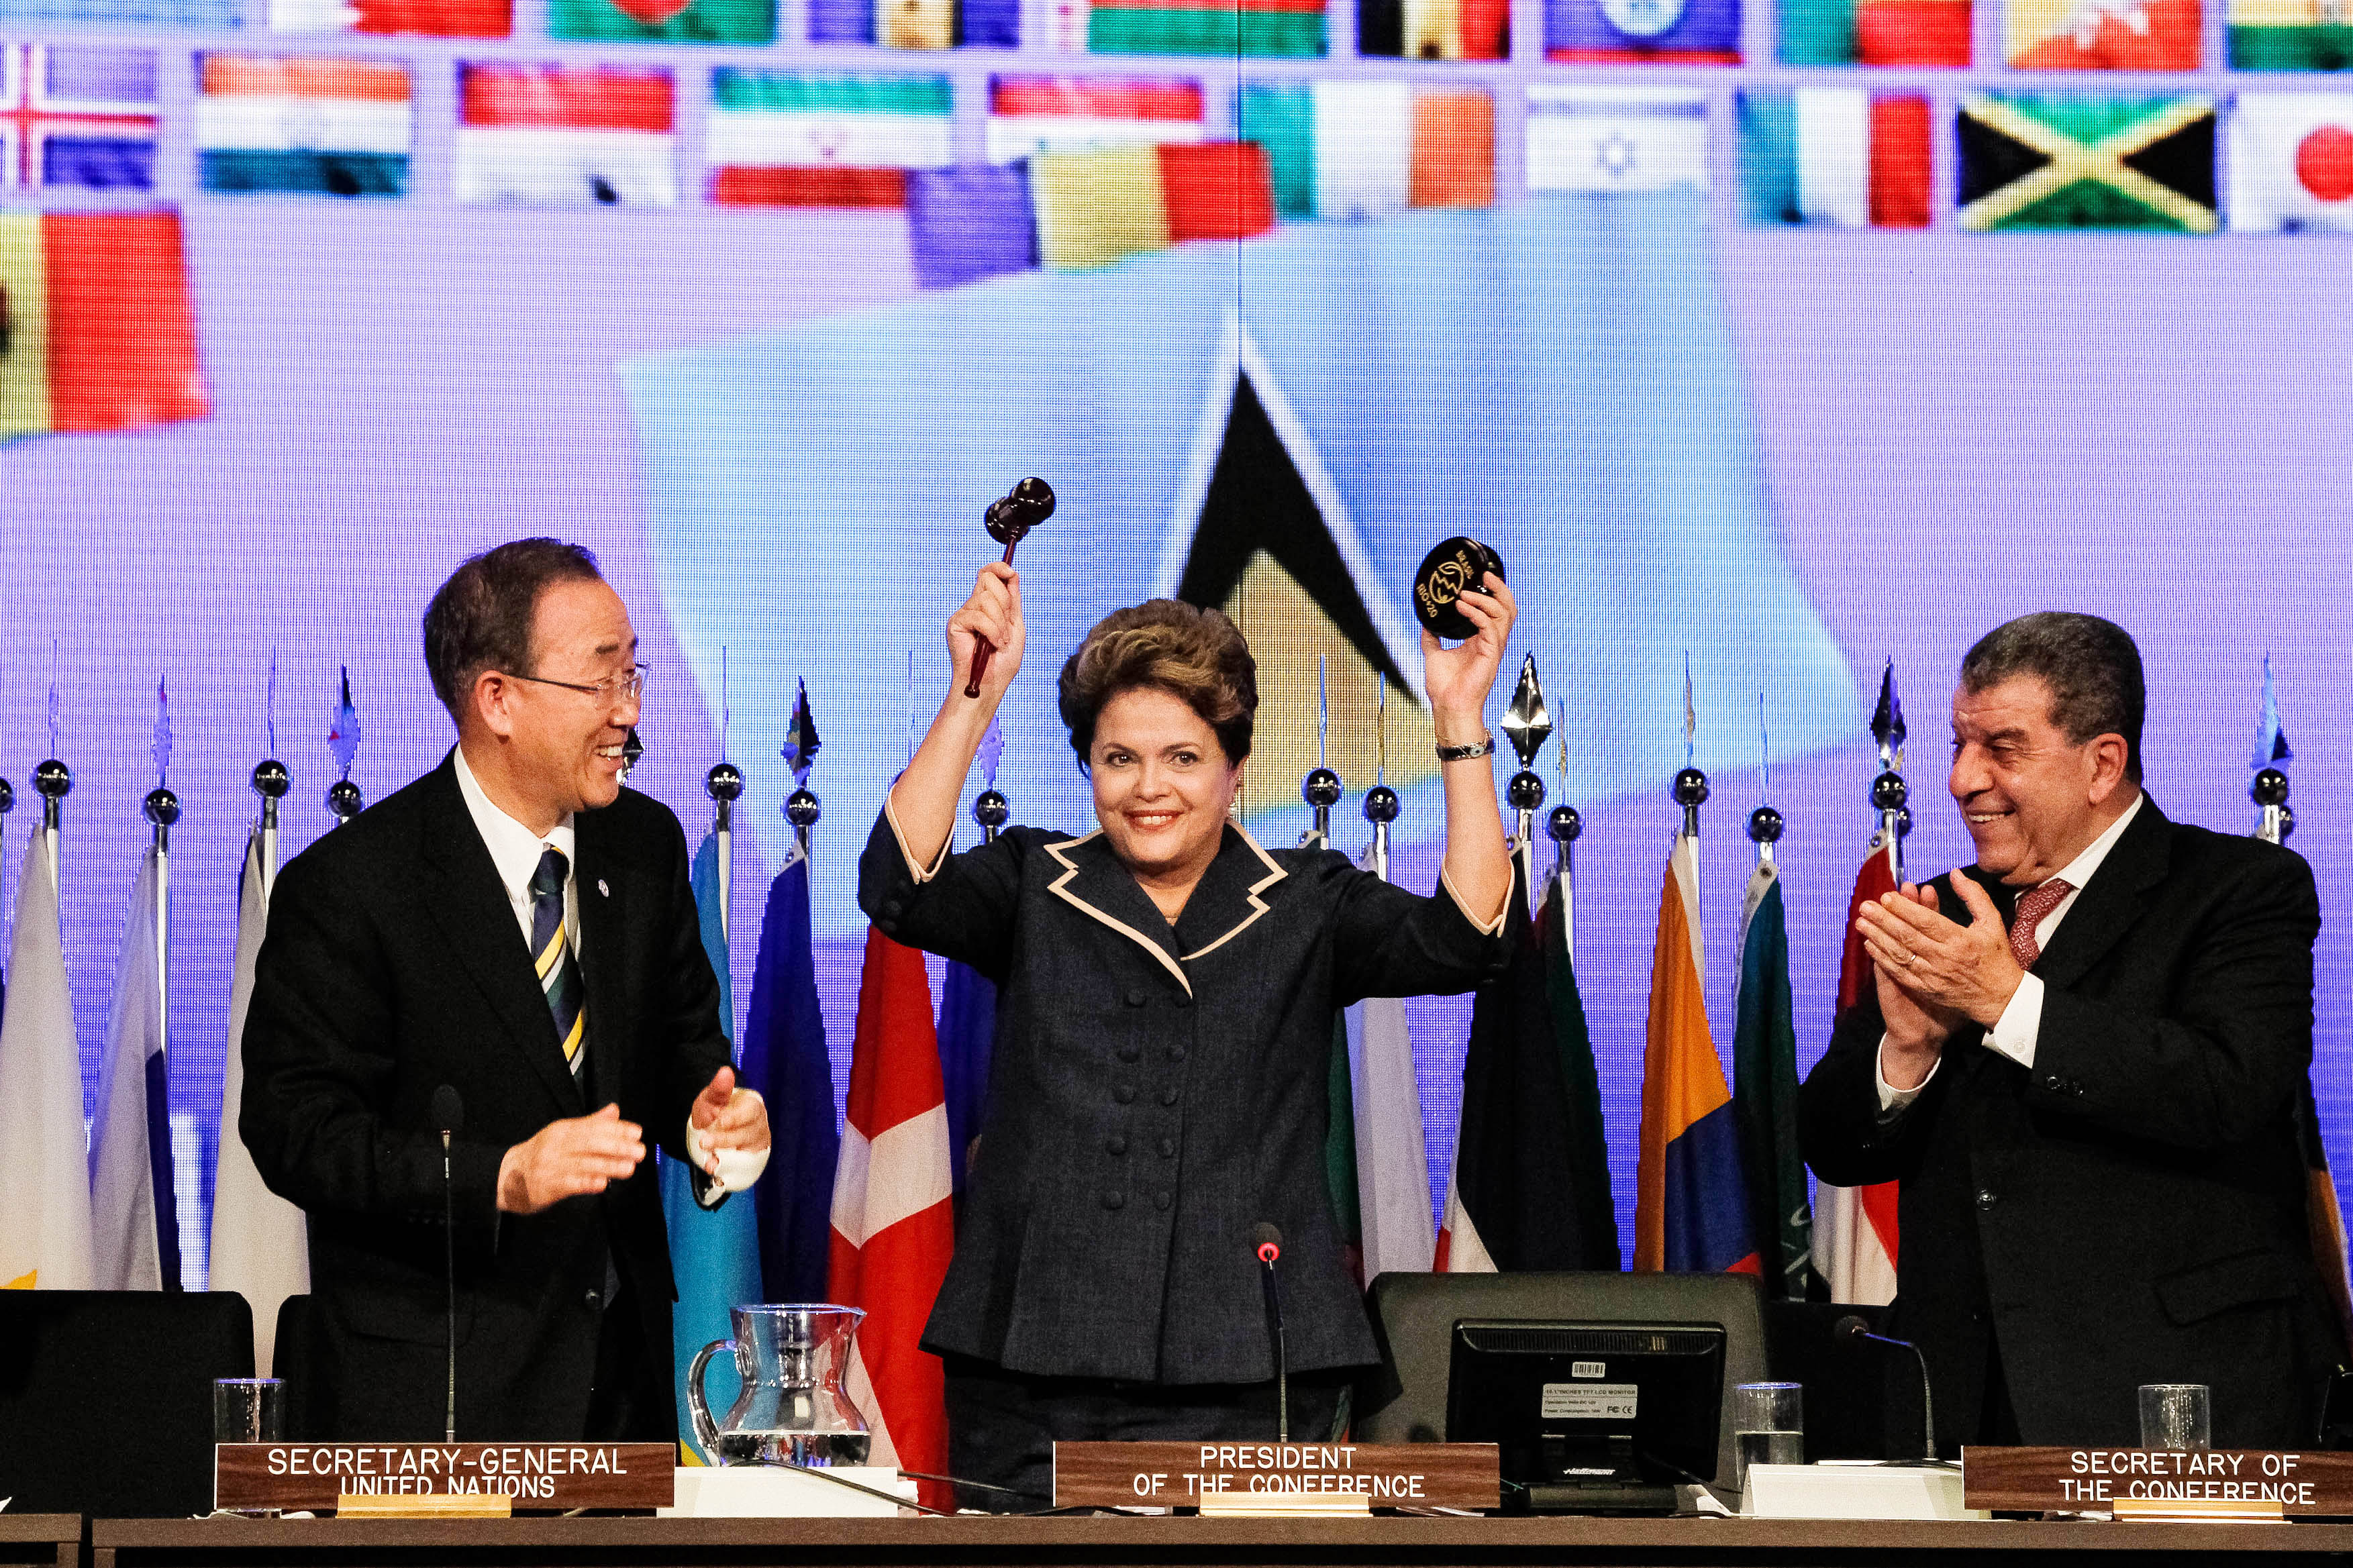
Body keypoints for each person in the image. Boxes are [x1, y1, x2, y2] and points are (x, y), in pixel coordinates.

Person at [859, 564, 1517, 1504]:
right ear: (1087, 764)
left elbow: (1464, 941)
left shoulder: (1306, 899)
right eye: (1117, 758)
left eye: (1181, 757)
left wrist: (1457, 727)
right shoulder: (1030, 882)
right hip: (1035, 1368)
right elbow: (896, 887)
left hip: (1247, 1366)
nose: (1146, 788)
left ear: (1235, 768)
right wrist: (974, 698)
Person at [241, 539, 772, 1441]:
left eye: (634, 675)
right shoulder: (352, 886)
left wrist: (709, 1120)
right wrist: (499, 1176)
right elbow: (298, 1134)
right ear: (498, 699)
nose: (629, 713)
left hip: (622, 1385)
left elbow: (682, 1044)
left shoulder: (642, 848)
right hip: (431, 1394)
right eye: (600, 682)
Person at [1799, 612, 2343, 1451]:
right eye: (1956, 744)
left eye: (2001, 748)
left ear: (2102, 764)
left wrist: (2006, 1003)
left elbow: (2221, 1089)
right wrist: (1905, 1052)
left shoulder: (2240, 890)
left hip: (2170, 1402)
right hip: (1957, 1406)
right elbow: (1833, 1146)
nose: (1959, 780)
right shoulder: (1944, 914)